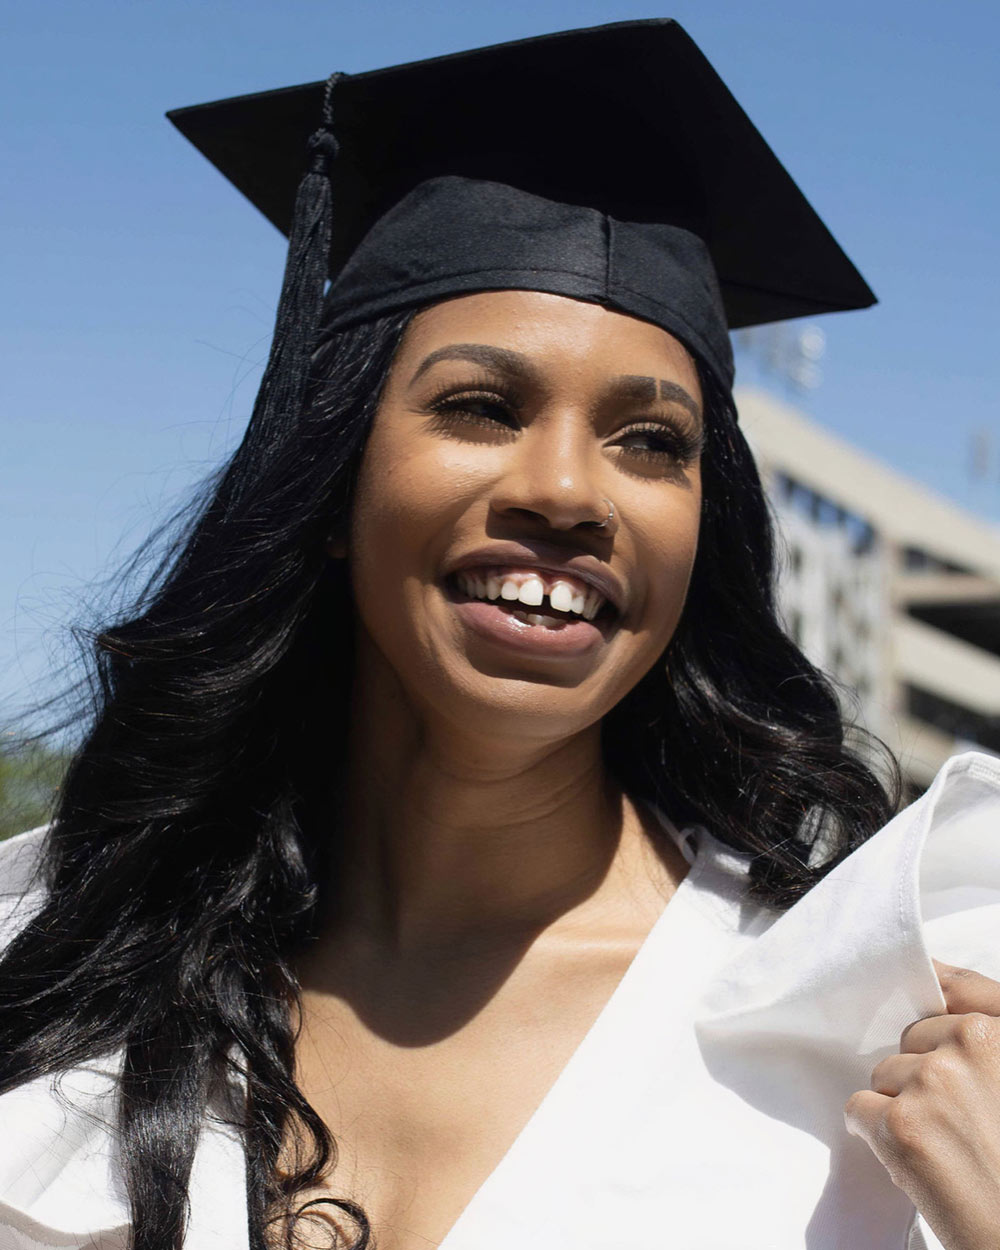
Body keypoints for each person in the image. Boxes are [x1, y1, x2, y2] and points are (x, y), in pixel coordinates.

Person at [1, 19, 999, 1250]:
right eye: (481, 405)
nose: (573, 492)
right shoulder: (75, 974)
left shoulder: (878, 1021)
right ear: (331, 486)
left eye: (652, 442)